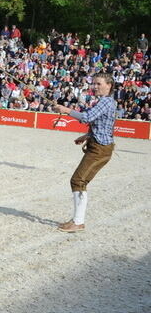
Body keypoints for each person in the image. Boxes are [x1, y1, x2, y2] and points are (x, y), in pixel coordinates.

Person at [52, 73, 118, 233]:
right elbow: (102, 125)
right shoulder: (106, 102)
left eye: (99, 84)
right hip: (98, 145)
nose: (95, 87)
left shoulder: (106, 102)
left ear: (109, 85)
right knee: (79, 181)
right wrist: (86, 136)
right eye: (94, 83)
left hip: (100, 149)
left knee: (78, 181)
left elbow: (87, 117)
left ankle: (78, 222)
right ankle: (76, 220)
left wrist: (66, 110)